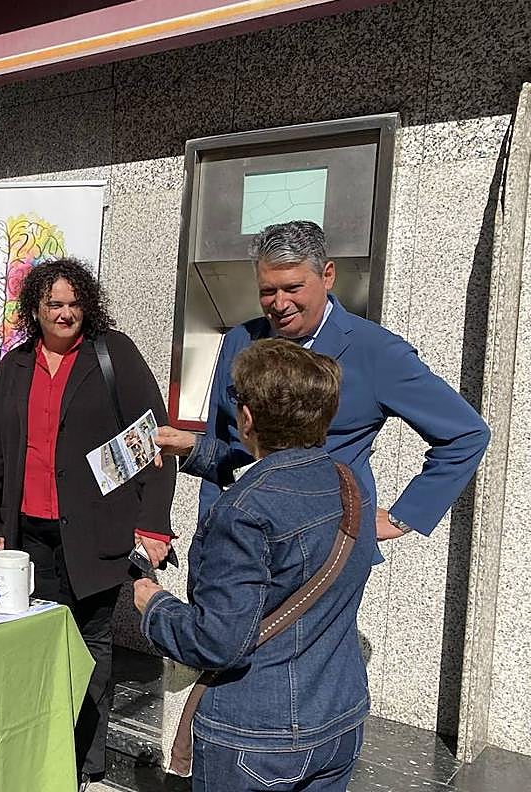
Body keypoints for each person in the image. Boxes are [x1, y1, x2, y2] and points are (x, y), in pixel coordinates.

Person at [0, 258, 177, 788]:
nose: (65, 314)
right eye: (53, 305)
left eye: (74, 303)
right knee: (28, 647)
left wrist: (154, 524)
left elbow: (157, 441)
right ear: (34, 311)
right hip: (26, 540)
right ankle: (33, 750)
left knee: (91, 649)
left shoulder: (114, 354)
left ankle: (83, 762)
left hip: (94, 534)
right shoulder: (14, 366)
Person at [136, 339, 373, 791]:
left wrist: (155, 605)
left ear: (245, 419)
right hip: (338, 717)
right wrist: (193, 450)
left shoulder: (240, 514)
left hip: (256, 735)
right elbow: (283, 475)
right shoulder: (348, 483)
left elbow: (217, 642)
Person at [156, 220, 489, 541]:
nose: (280, 303)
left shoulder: (376, 351)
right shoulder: (239, 341)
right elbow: (226, 447)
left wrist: (405, 516)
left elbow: (466, 433)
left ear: (327, 276)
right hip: (239, 538)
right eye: (268, 291)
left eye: (293, 288)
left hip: (325, 549)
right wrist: (207, 528)